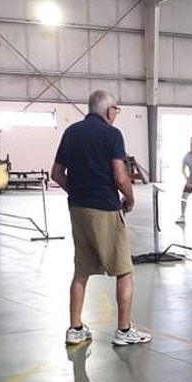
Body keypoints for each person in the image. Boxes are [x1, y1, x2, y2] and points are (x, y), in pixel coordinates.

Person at [51, 90, 151, 347]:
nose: (116, 114)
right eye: (116, 109)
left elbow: (57, 173)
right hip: (105, 209)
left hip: (77, 209)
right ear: (108, 111)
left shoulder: (71, 132)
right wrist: (129, 199)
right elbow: (120, 176)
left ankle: (75, 329)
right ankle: (124, 330)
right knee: (124, 271)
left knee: (81, 271)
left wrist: (76, 191)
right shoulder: (111, 134)